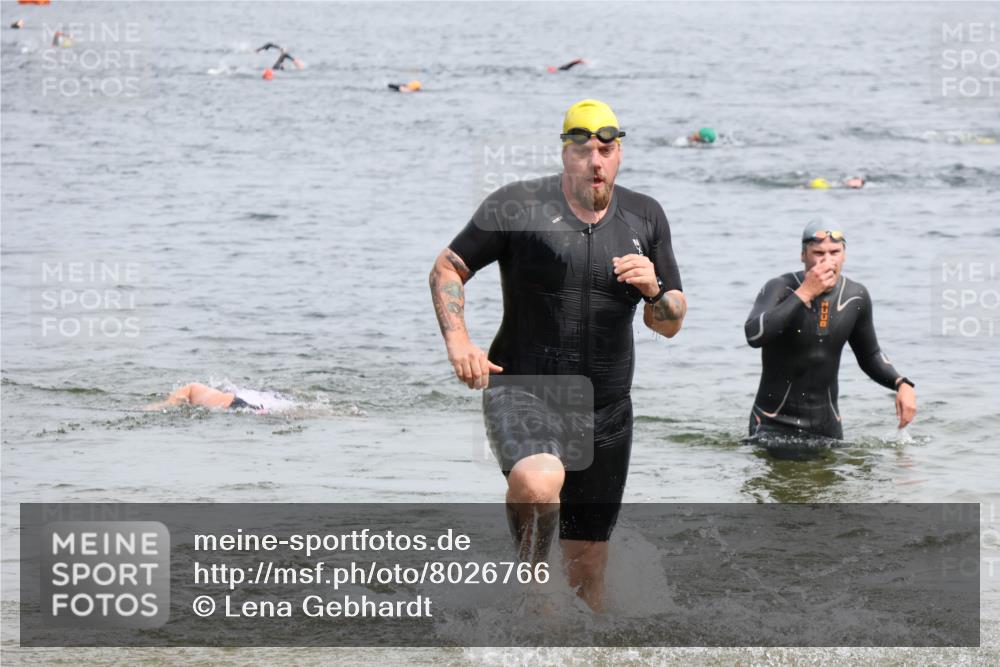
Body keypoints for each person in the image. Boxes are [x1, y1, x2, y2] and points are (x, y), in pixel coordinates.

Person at [429, 99, 687, 612]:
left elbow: (670, 322)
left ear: (619, 154)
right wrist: (460, 342)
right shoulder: (517, 206)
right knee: (537, 478)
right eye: (584, 149)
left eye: (606, 150)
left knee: (589, 574)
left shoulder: (645, 215)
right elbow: (448, 268)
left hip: (608, 410)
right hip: (525, 391)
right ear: (565, 151)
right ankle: (531, 584)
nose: (596, 162)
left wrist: (656, 291)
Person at [744, 218, 916, 457]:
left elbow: (870, 354)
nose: (827, 260)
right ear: (803, 255)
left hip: (827, 429)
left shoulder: (855, 296)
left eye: (835, 252)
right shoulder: (780, 288)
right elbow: (754, 334)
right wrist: (804, 293)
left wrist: (901, 383)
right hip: (773, 426)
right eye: (818, 253)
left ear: (844, 255)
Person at [144, 382, 293, 414]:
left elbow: (173, 402)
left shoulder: (187, 389)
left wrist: (149, 408)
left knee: (262, 413)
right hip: (232, 401)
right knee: (263, 412)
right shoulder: (198, 388)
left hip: (230, 405)